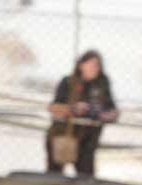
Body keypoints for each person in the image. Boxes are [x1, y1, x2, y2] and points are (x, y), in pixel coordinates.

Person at [46, 50, 118, 178]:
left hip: (88, 141)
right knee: (54, 176)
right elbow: (53, 107)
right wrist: (72, 109)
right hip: (64, 135)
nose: (94, 68)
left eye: (97, 65)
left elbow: (113, 110)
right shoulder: (68, 82)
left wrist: (107, 115)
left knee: (86, 178)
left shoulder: (102, 84)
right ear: (81, 65)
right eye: (91, 65)